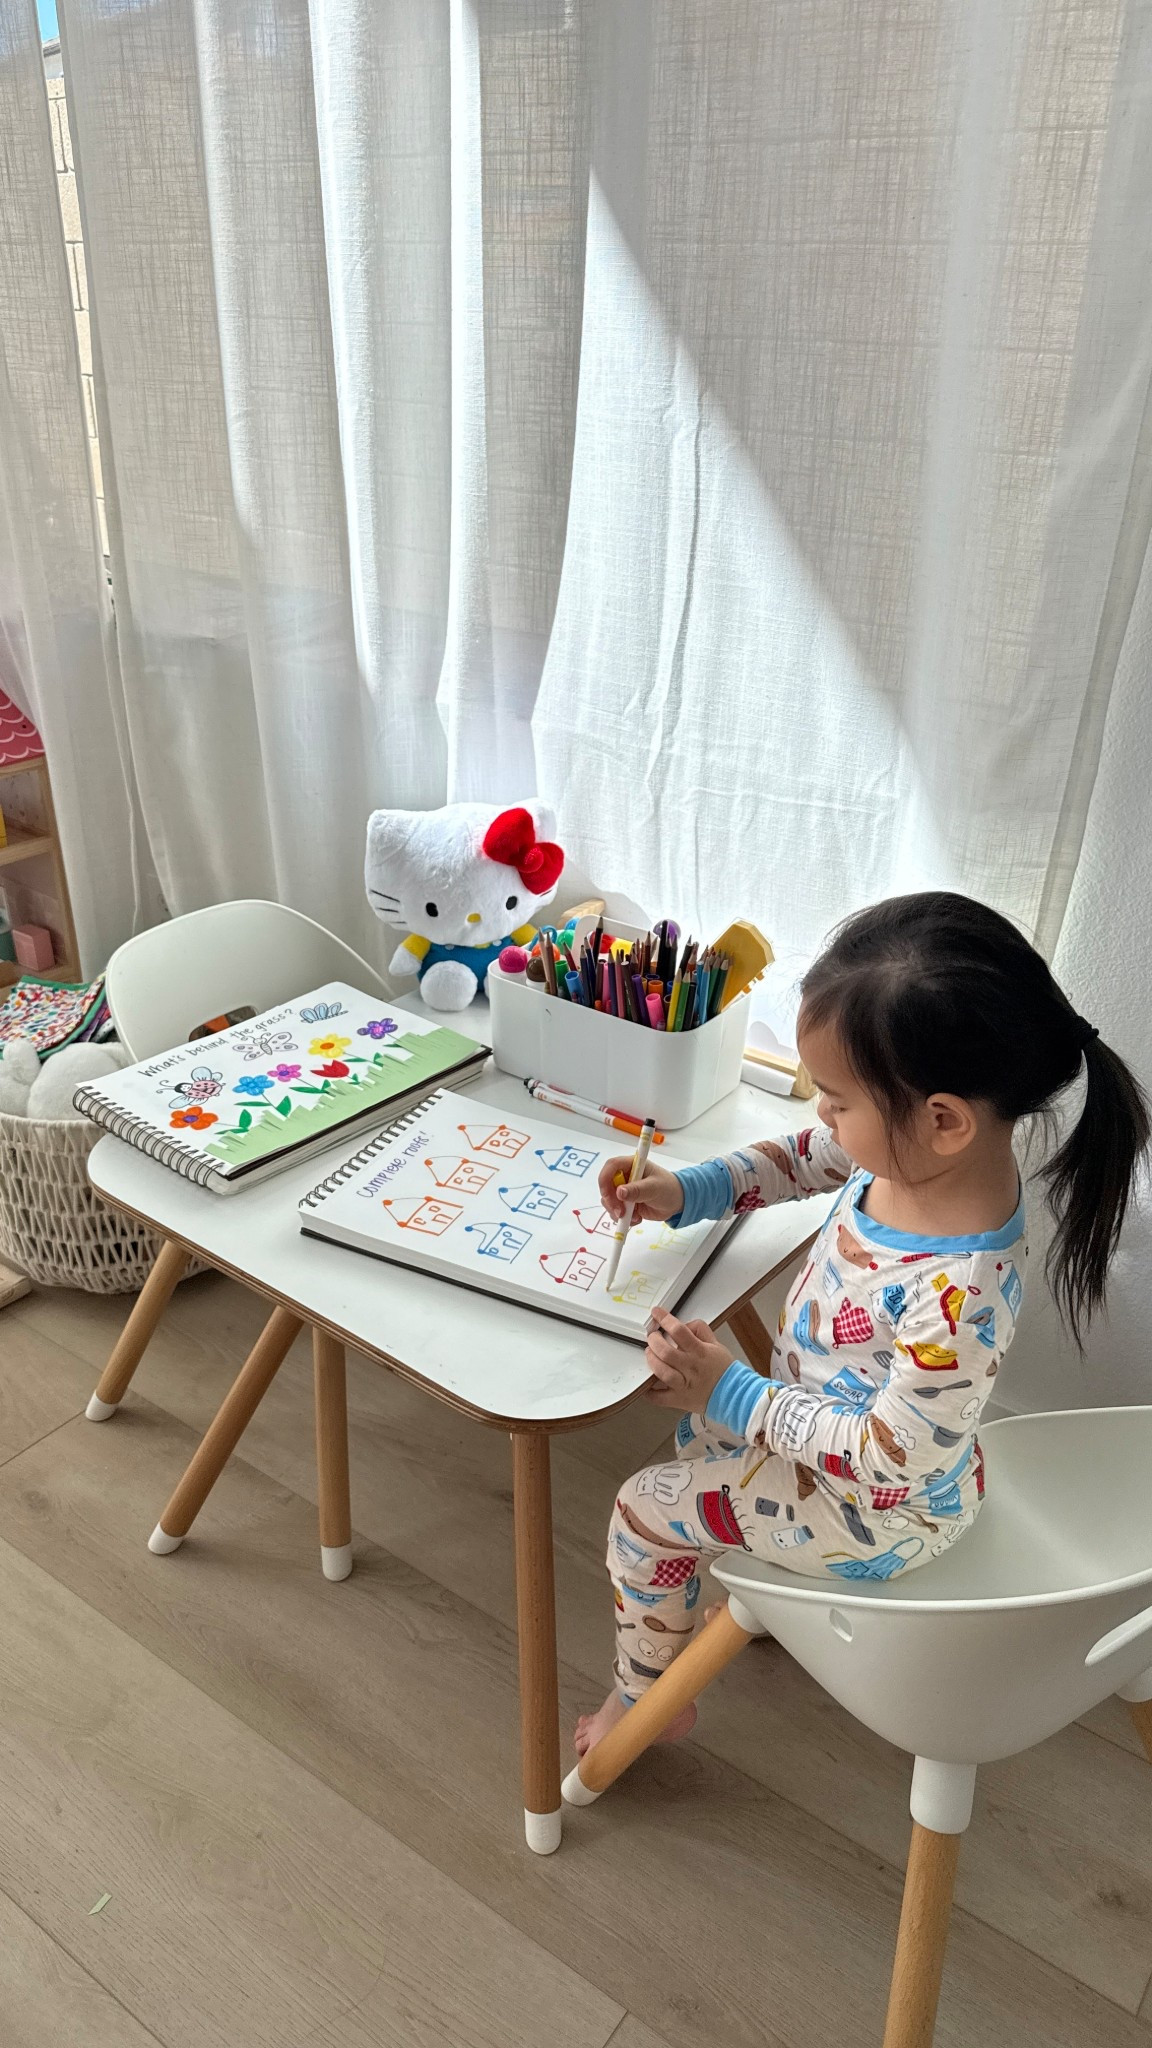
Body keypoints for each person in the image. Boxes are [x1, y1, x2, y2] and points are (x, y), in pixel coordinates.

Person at [574, 891, 1150, 1758]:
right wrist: (687, 1192)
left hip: (874, 1513)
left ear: (942, 1119)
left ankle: (646, 1695)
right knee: (700, 1435)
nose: (823, 1118)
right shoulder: (916, 1155)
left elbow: (895, 1453)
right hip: (820, 1435)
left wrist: (732, 1389)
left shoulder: (958, 1288)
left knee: (639, 1510)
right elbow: (803, 1161)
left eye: (839, 1101)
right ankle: (750, 1578)